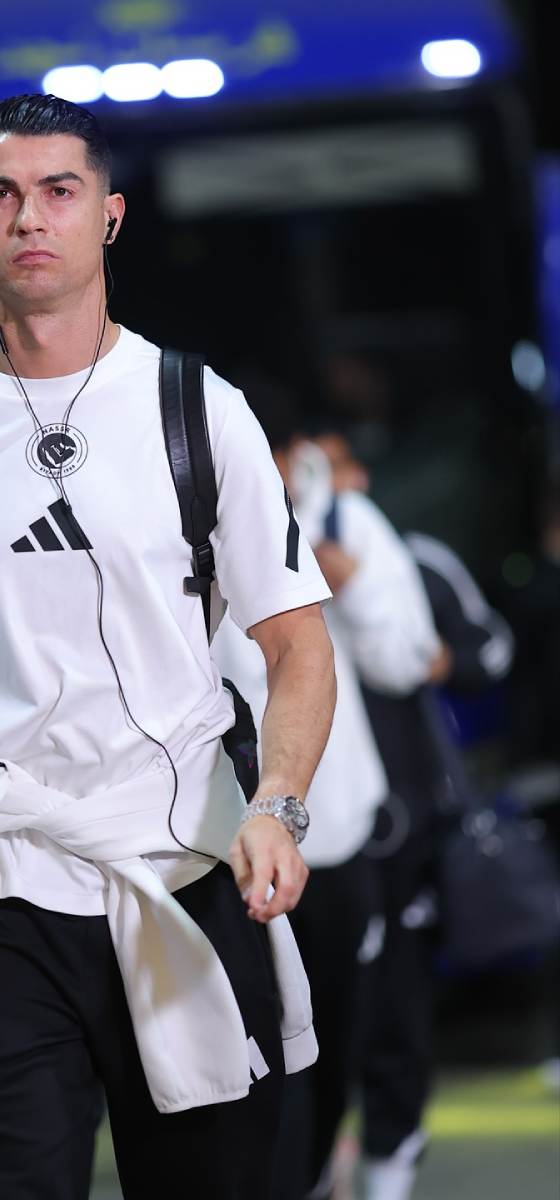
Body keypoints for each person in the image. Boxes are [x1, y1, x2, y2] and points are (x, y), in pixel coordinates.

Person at [0, 94, 338, 1200]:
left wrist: (278, 804)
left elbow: (295, 642)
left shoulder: (197, 408)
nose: (29, 217)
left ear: (109, 216)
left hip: (184, 864)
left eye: (59, 191)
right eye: (1, 194)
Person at [212, 387, 441, 1199]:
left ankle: (319, 1177)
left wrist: (346, 574)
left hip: (335, 836)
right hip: (217, 845)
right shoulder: (173, 525)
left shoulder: (344, 522)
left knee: (337, 1041)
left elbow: (410, 657)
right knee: (245, 1059)